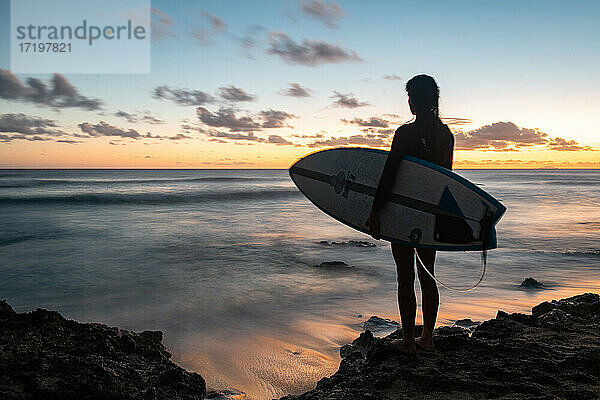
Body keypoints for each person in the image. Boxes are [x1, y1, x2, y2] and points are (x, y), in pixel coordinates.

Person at [365, 74, 454, 355]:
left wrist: (376, 210)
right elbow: (445, 180)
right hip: (430, 213)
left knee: (405, 277)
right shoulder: (446, 136)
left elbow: (390, 174)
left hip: (402, 212)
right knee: (428, 276)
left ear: (415, 101)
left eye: (411, 97)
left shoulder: (405, 133)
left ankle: (407, 342)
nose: (409, 103)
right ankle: (427, 338)